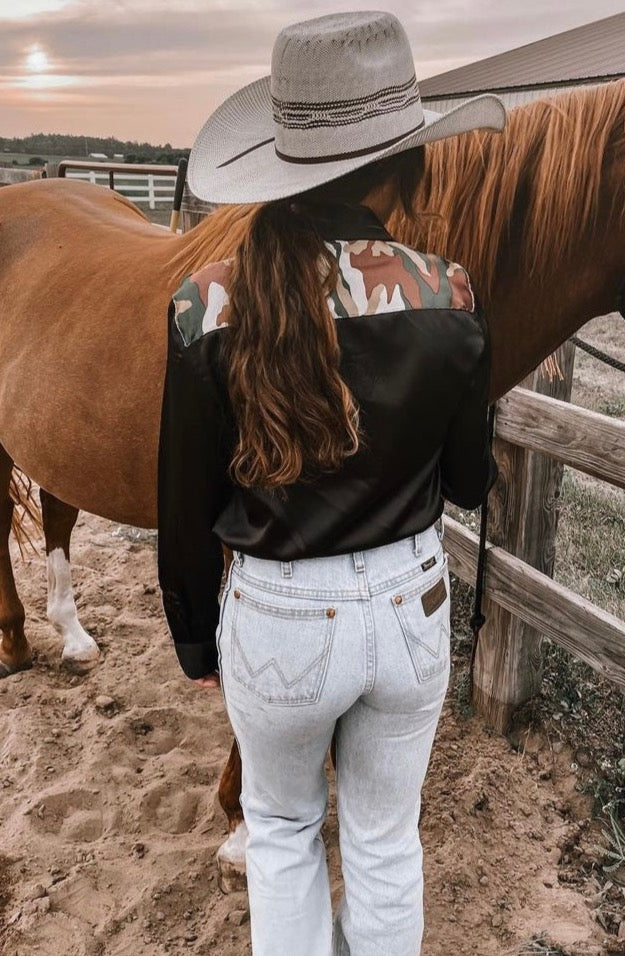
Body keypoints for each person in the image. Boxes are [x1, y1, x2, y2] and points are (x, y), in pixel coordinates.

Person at [157, 11, 504, 956]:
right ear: (406, 163)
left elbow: (183, 502)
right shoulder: (452, 294)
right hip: (410, 608)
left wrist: (194, 635)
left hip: (275, 617)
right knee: (388, 841)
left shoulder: (207, 304)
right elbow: (469, 485)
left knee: (279, 830)